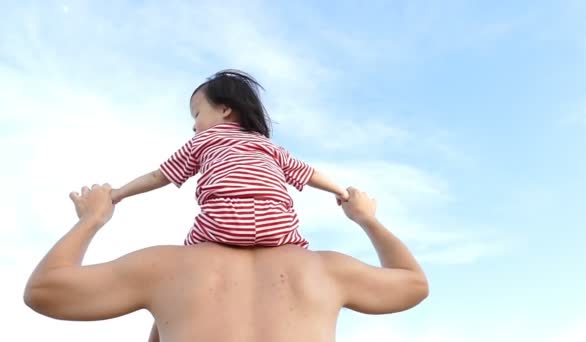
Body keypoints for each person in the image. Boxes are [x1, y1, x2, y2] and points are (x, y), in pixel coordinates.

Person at [24, 184, 429, 342]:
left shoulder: (166, 267)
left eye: (197, 119)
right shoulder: (328, 269)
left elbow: (46, 291)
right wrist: (367, 220)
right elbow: (412, 283)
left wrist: (94, 218)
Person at [111, 69, 348, 248]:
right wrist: (341, 192)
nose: (194, 126)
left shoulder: (204, 140)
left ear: (225, 110)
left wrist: (119, 193)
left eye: (197, 115)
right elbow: (310, 174)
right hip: (277, 224)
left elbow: (159, 176)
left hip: (222, 220)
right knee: (298, 251)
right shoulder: (269, 146)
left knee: (187, 256)